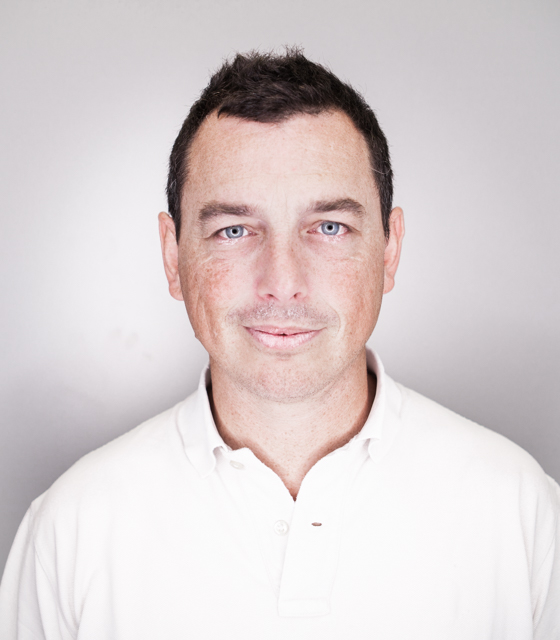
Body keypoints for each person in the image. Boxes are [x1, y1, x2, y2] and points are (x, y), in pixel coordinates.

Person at [0, 48, 558, 639]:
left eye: (329, 227)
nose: (283, 281)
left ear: (389, 250)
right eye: (234, 230)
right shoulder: (71, 530)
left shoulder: (521, 513)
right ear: (172, 255)